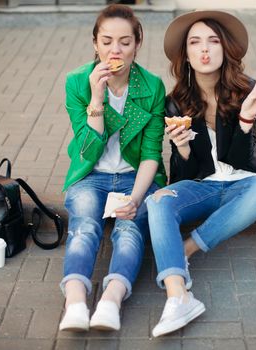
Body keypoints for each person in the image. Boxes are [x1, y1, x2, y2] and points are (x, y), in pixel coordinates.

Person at [146, 10, 256, 337]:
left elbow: (241, 162)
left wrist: (245, 121)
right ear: (187, 56)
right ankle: (178, 296)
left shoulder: (246, 91)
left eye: (213, 41)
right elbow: (186, 176)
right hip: (202, 187)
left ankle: (187, 249)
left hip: (241, 183)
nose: (204, 49)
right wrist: (182, 150)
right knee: (158, 201)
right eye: (195, 42)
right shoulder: (175, 102)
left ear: (225, 50)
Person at [58, 4, 167, 332]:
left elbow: (151, 154)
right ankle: (75, 302)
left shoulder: (152, 86)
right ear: (95, 43)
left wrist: (135, 197)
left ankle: (111, 300)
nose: (114, 50)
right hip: (91, 176)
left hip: (136, 176)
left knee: (129, 229)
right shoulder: (78, 81)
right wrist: (96, 96)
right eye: (106, 41)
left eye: (124, 42)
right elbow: (87, 150)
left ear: (137, 44)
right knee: (85, 226)